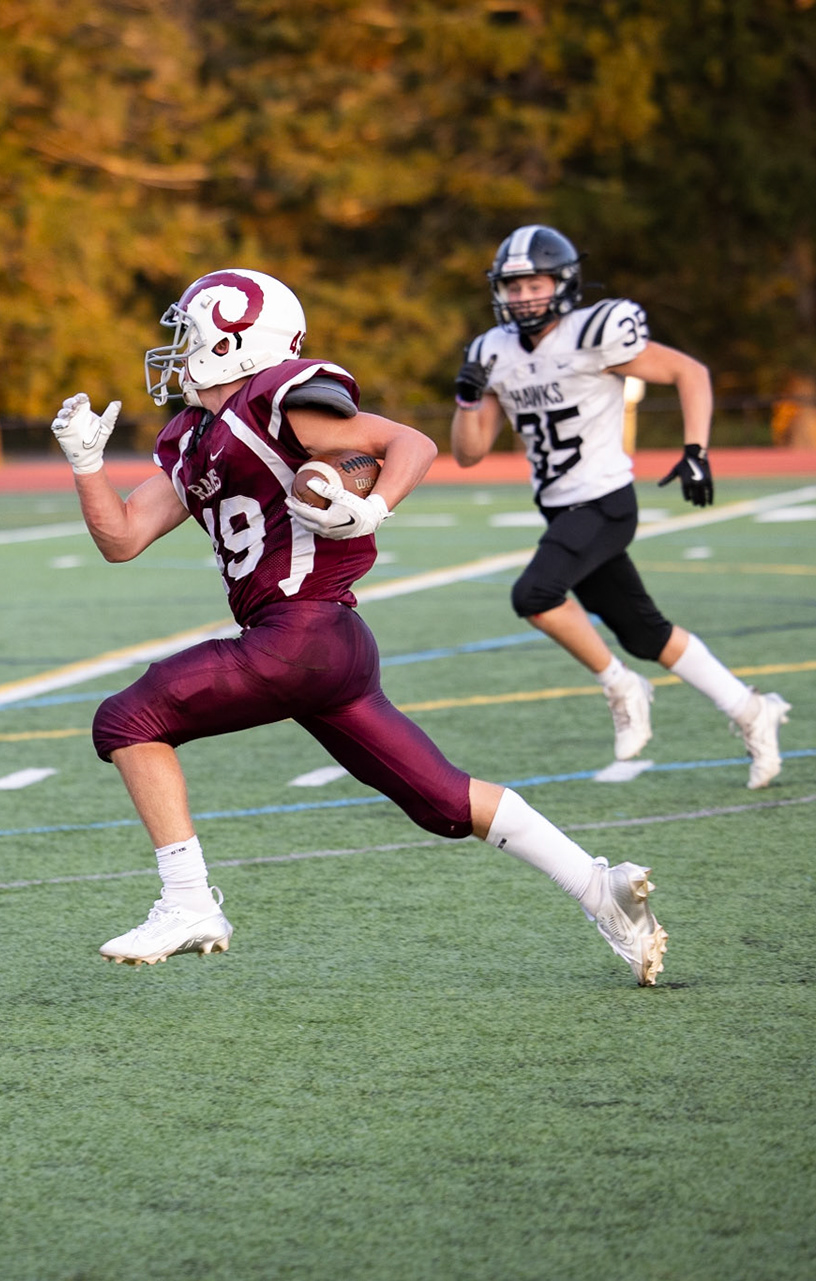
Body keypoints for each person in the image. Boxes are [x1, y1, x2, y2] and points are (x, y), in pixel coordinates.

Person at [48, 268, 667, 984]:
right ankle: (602, 888)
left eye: (191, 332)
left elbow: (410, 445)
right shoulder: (193, 436)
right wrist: (87, 465)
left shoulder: (274, 395)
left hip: (298, 633)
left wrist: (373, 507)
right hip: (326, 649)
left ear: (237, 338)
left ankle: (188, 900)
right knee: (443, 802)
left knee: (126, 721)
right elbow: (122, 538)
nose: (179, 348)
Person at [450, 225, 790, 788]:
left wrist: (697, 450)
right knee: (643, 632)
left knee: (533, 594)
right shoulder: (491, 351)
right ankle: (753, 710)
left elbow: (691, 372)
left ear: (562, 282)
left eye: (533, 282)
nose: (522, 296)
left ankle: (620, 685)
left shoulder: (594, 332)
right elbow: (469, 454)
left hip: (605, 500)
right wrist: (466, 399)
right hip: (560, 508)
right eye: (511, 286)